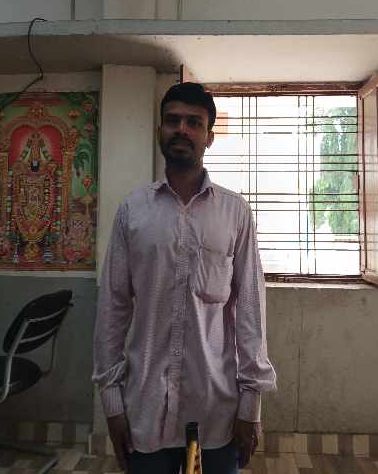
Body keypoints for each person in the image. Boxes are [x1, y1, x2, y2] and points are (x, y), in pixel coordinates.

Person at [93, 82, 276, 474]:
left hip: (216, 410)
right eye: (173, 120)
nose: (182, 129)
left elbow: (250, 311)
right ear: (159, 130)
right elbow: (112, 308)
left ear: (209, 137)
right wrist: (112, 403)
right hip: (145, 407)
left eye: (194, 122)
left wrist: (251, 405)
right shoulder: (133, 212)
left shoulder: (234, 213)